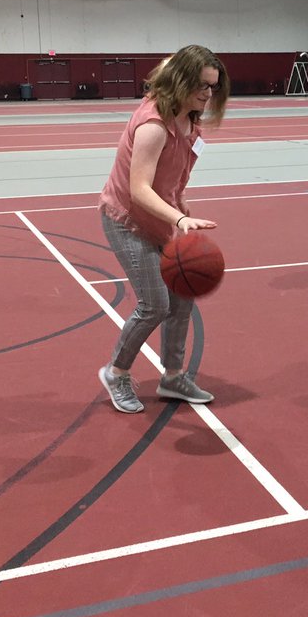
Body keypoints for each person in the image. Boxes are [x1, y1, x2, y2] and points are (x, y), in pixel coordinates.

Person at [96, 45, 230, 413]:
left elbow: (172, 177)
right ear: (182, 80)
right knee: (155, 304)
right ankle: (116, 372)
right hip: (127, 220)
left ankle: (172, 377)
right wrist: (180, 219)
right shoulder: (154, 124)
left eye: (213, 87)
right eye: (202, 85)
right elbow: (139, 190)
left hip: (162, 217)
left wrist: (179, 204)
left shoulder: (190, 120)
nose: (208, 94)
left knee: (182, 297)